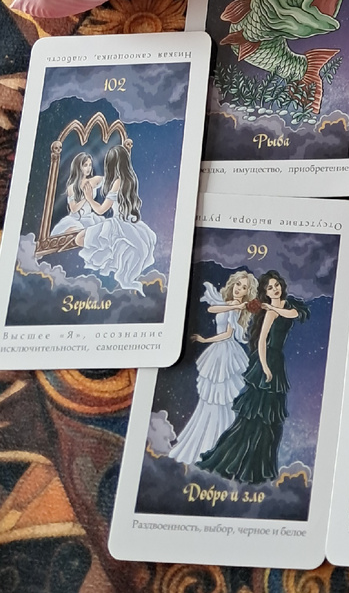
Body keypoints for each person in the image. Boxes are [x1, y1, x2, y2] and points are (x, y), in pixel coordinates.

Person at [198, 270, 308, 484]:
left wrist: (273, 307)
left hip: (278, 363)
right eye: (270, 288)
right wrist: (265, 367)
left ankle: (261, 467)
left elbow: (292, 315)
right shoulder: (268, 314)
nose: (274, 289)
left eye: (276, 285)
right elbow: (261, 342)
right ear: (265, 292)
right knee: (254, 418)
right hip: (267, 363)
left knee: (272, 420)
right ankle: (233, 461)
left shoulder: (286, 307)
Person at [169, 273, 259, 466]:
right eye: (238, 284)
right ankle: (203, 442)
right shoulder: (230, 304)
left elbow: (227, 334)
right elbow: (212, 308)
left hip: (225, 352)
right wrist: (233, 306)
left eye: (244, 287)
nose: (239, 289)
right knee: (209, 399)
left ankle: (220, 443)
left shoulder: (237, 309)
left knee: (222, 399)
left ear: (247, 292)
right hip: (217, 352)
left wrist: (205, 340)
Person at [78, 145, 158, 293]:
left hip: (118, 223)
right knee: (112, 244)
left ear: (112, 165)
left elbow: (101, 210)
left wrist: (89, 198)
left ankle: (111, 257)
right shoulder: (131, 179)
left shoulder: (117, 182)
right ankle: (114, 258)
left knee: (80, 239)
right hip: (130, 222)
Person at [50, 151, 104, 239]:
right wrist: (86, 198)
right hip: (74, 219)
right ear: (79, 167)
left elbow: (109, 181)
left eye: (90, 165)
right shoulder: (71, 187)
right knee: (74, 232)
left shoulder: (94, 180)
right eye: (85, 165)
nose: (88, 168)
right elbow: (73, 209)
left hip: (89, 218)